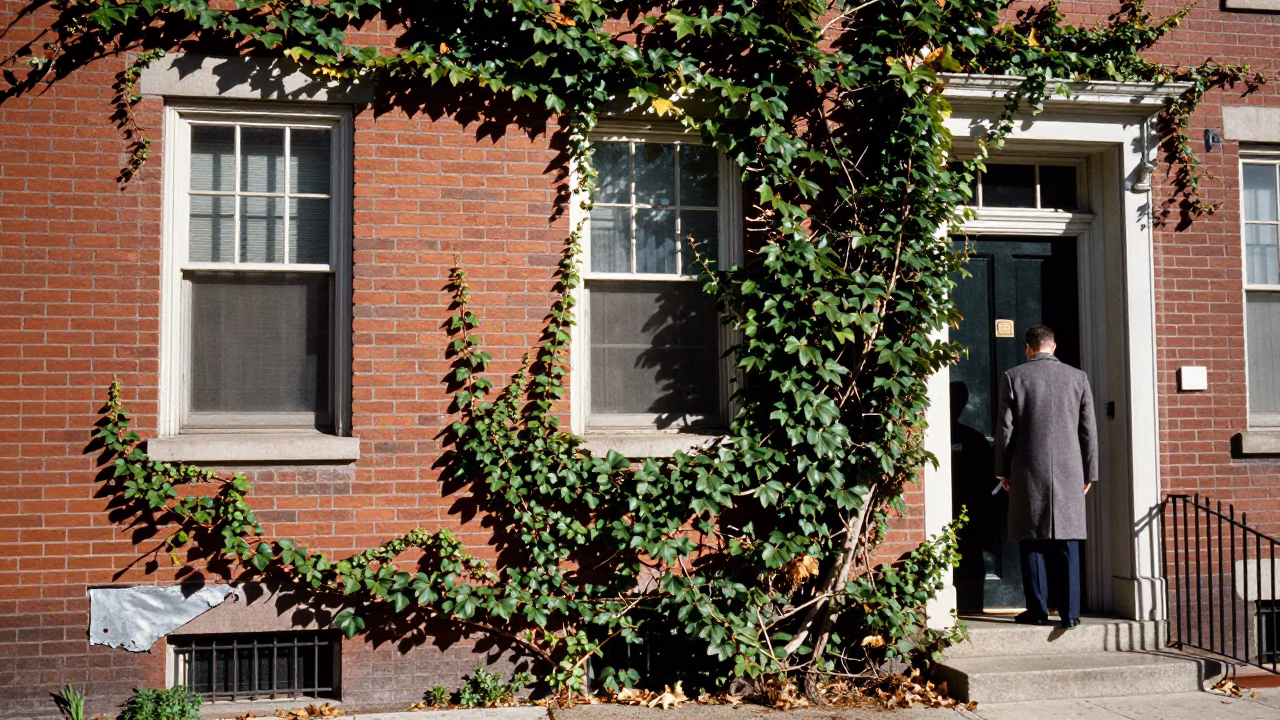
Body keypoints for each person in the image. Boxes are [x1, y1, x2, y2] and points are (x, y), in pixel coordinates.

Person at [994, 325, 1098, 629]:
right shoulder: (1078, 378)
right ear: (1053, 347)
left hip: (1028, 468)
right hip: (1070, 469)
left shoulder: (1014, 376)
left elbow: (1005, 429)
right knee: (1068, 540)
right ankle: (1070, 613)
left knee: (1031, 539)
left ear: (1029, 348)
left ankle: (1038, 610)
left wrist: (1002, 469)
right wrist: (1090, 470)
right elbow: (1088, 429)